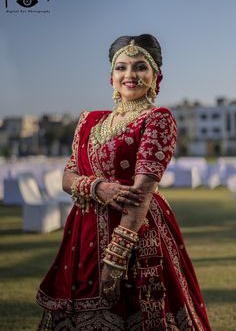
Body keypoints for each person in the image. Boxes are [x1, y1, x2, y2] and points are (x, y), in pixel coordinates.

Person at [36, 34, 211, 331]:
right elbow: (67, 177)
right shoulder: (89, 121)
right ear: (111, 77)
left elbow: (142, 192)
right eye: (121, 67)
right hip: (84, 232)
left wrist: (117, 256)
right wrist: (97, 187)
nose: (130, 75)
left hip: (135, 232)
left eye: (140, 67)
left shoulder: (157, 118)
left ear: (157, 76)